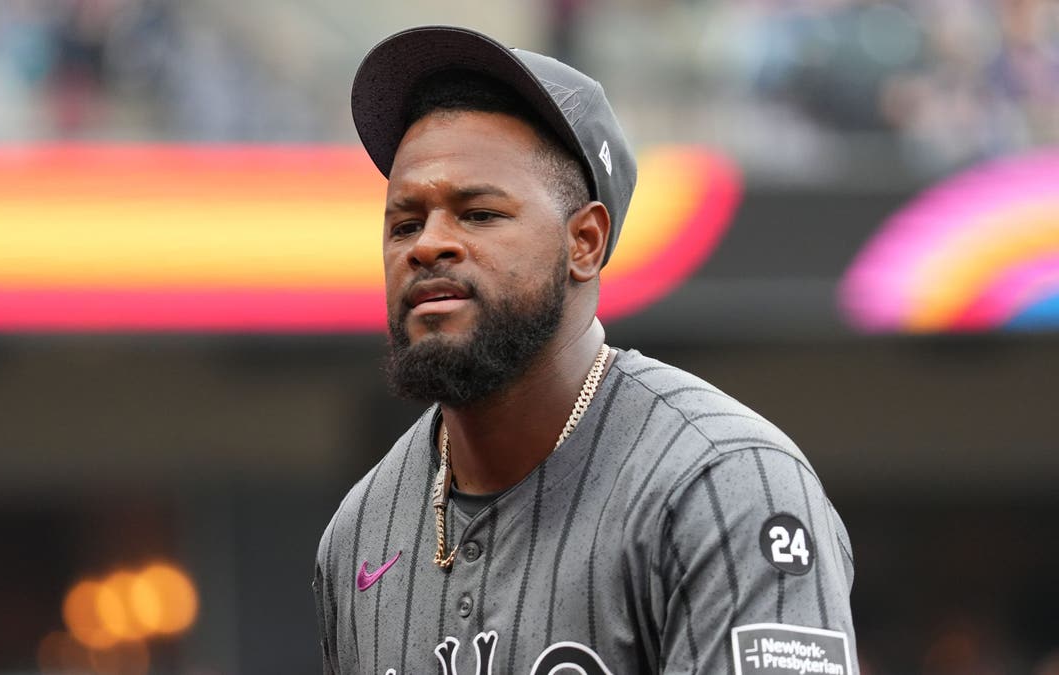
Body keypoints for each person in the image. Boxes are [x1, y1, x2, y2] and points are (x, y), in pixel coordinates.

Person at [314, 26, 857, 675]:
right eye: (405, 222)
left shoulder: (725, 481)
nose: (428, 244)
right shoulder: (359, 533)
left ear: (585, 243)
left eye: (478, 213)